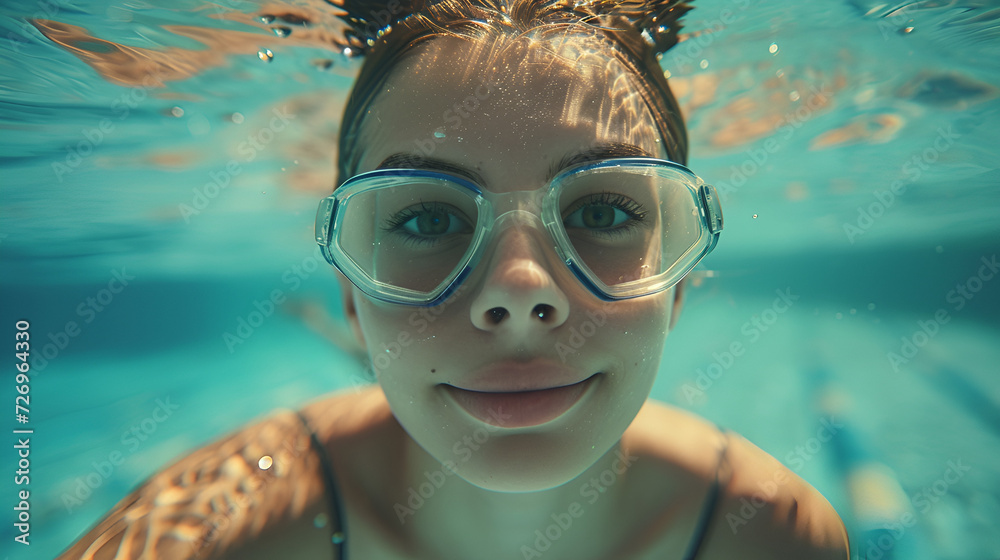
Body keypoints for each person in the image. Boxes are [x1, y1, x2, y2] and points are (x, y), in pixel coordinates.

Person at [58, 0, 851, 558]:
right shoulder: (218, 537)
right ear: (348, 288)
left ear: (680, 281)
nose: (516, 289)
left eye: (605, 211)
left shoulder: (772, 537)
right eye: (428, 220)